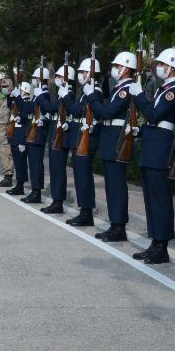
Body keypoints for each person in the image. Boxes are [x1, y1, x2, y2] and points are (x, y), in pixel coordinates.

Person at [131, 47, 175, 264]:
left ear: (172, 67)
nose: (158, 68)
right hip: (153, 143)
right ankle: (154, 242)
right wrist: (140, 131)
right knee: (151, 198)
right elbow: (153, 121)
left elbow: (154, 114)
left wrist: (139, 96)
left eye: (162, 65)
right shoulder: (165, 88)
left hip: (161, 147)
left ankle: (162, 246)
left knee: (160, 199)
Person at [91, 51, 139, 242]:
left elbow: (108, 112)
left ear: (126, 68)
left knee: (117, 185)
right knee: (111, 185)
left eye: (117, 66)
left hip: (117, 140)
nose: (114, 70)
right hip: (110, 138)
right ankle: (114, 224)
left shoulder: (126, 88)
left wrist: (92, 99)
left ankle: (119, 226)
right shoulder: (119, 87)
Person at [65, 56, 103, 227]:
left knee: (84, 177)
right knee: (80, 176)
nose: (80, 75)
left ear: (91, 73)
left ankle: (86, 213)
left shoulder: (95, 92)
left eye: (82, 72)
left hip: (87, 139)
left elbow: (77, 112)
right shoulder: (87, 92)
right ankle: (83, 211)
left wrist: (66, 98)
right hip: (81, 137)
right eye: (79, 72)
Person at [41, 64, 75, 216]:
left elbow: (50, 107)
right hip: (55, 132)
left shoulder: (68, 95)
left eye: (61, 77)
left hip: (62, 135)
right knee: (55, 169)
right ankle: (56, 200)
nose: (58, 79)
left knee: (58, 169)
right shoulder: (62, 94)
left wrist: (41, 95)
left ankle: (58, 202)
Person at [22, 67, 52, 205]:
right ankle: (34, 190)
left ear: (40, 80)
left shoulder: (44, 94)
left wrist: (43, 119)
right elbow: (28, 110)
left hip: (38, 132)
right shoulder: (37, 93)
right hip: (33, 131)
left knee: (36, 164)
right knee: (33, 163)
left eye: (35, 78)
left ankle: (36, 192)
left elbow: (48, 111)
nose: (33, 80)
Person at [6, 78, 31, 197]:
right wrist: (10, 95)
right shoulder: (19, 100)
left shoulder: (26, 101)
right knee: (16, 161)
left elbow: (26, 113)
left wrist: (19, 97)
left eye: (20, 90)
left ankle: (20, 185)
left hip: (21, 136)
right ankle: (18, 184)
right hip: (15, 135)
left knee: (20, 162)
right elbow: (10, 105)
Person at [0, 75, 14, 187]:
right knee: (4, 152)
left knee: (7, 153)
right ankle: (7, 175)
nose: (3, 88)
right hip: (1, 130)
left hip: (7, 130)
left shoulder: (12, 99)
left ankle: (8, 177)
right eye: (2, 86)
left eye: (5, 86)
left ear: (11, 87)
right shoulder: (4, 99)